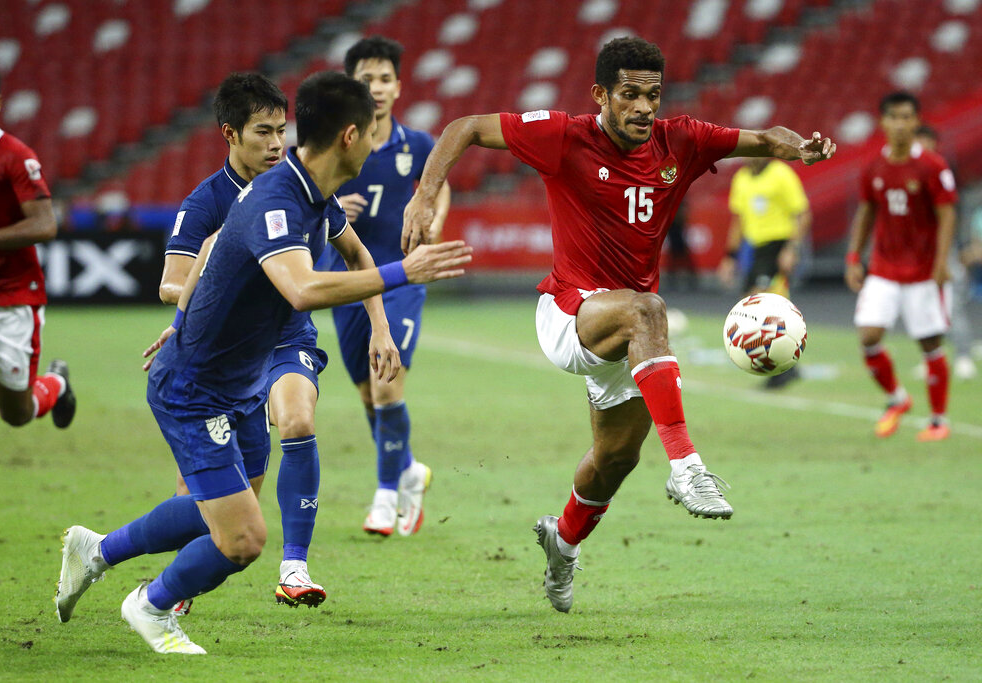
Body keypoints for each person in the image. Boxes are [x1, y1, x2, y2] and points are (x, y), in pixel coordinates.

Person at [402, 37, 835, 613]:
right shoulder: (563, 135)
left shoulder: (680, 139)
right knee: (649, 307)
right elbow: (464, 126)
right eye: (629, 94)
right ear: (601, 94)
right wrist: (426, 194)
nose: (642, 107)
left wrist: (793, 147)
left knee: (615, 458)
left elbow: (759, 139)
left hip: (629, 335)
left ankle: (563, 539)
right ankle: (687, 466)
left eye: (652, 95)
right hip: (568, 312)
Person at [54, 71, 471, 655]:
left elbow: (216, 248)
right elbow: (299, 289)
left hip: (243, 380)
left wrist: (181, 323)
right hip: (197, 389)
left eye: (281, 130)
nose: (379, 145)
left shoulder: (305, 189)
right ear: (351, 136)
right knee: (244, 539)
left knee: (218, 513)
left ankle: (96, 551)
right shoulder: (278, 198)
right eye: (372, 134)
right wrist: (406, 270)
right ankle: (150, 604)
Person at [158, 72, 330, 614]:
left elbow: (353, 251)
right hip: (230, 348)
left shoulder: (303, 184)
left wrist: (377, 325)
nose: (277, 143)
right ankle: (172, 578)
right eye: (263, 132)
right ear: (230, 134)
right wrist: (204, 308)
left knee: (299, 420)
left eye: (283, 130)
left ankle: (295, 566)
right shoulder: (206, 201)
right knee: (231, 496)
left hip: (287, 333)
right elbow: (170, 281)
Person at [324, 36, 451, 537]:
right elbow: (306, 204)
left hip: (400, 278)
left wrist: (434, 218)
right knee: (366, 393)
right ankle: (410, 471)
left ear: (398, 86)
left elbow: (440, 188)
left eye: (383, 78)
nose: (374, 87)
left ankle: (384, 497)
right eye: (365, 78)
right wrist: (332, 209)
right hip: (345, 283)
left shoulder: (417, 145)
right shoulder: (336, 145)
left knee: (385, 380)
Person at [0, 57, 75, 428]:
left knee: (17, 413)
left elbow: (45, 223)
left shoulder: (14, 156)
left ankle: (56, 383)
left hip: (12, 296)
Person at [845, 92, 957, 442]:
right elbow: (866, 211)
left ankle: (938, 419)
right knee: (868, 335)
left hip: (923, 272)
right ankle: (898, 398)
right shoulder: (874, 167)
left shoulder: (933, 166)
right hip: (883, 269)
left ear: (915, 121)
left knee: (929, 344)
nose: (900, 124)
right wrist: (853, 256)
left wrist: (941, 262)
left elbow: (947, 213)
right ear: (883, 122)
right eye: (893, 117)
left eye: (907, 117)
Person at [719, 156, 811, 388]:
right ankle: (782, 364)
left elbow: (802, 213)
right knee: (754, 303)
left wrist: (792, 248)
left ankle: (778, 365)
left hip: (778, 243)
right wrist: (730, 256)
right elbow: (738, 220)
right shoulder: (741, 178)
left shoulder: (781, 174)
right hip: (756, 248)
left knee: (760, 303)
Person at [914, 125, 975, 380]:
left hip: (944, 249)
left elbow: (953, 212)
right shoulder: (907, 171)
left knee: (953, 303)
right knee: (923, 306)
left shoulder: (942, 170)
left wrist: (956, 248)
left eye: (925, 140)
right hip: (919, 251)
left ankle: (963, 355)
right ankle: (931, 357)